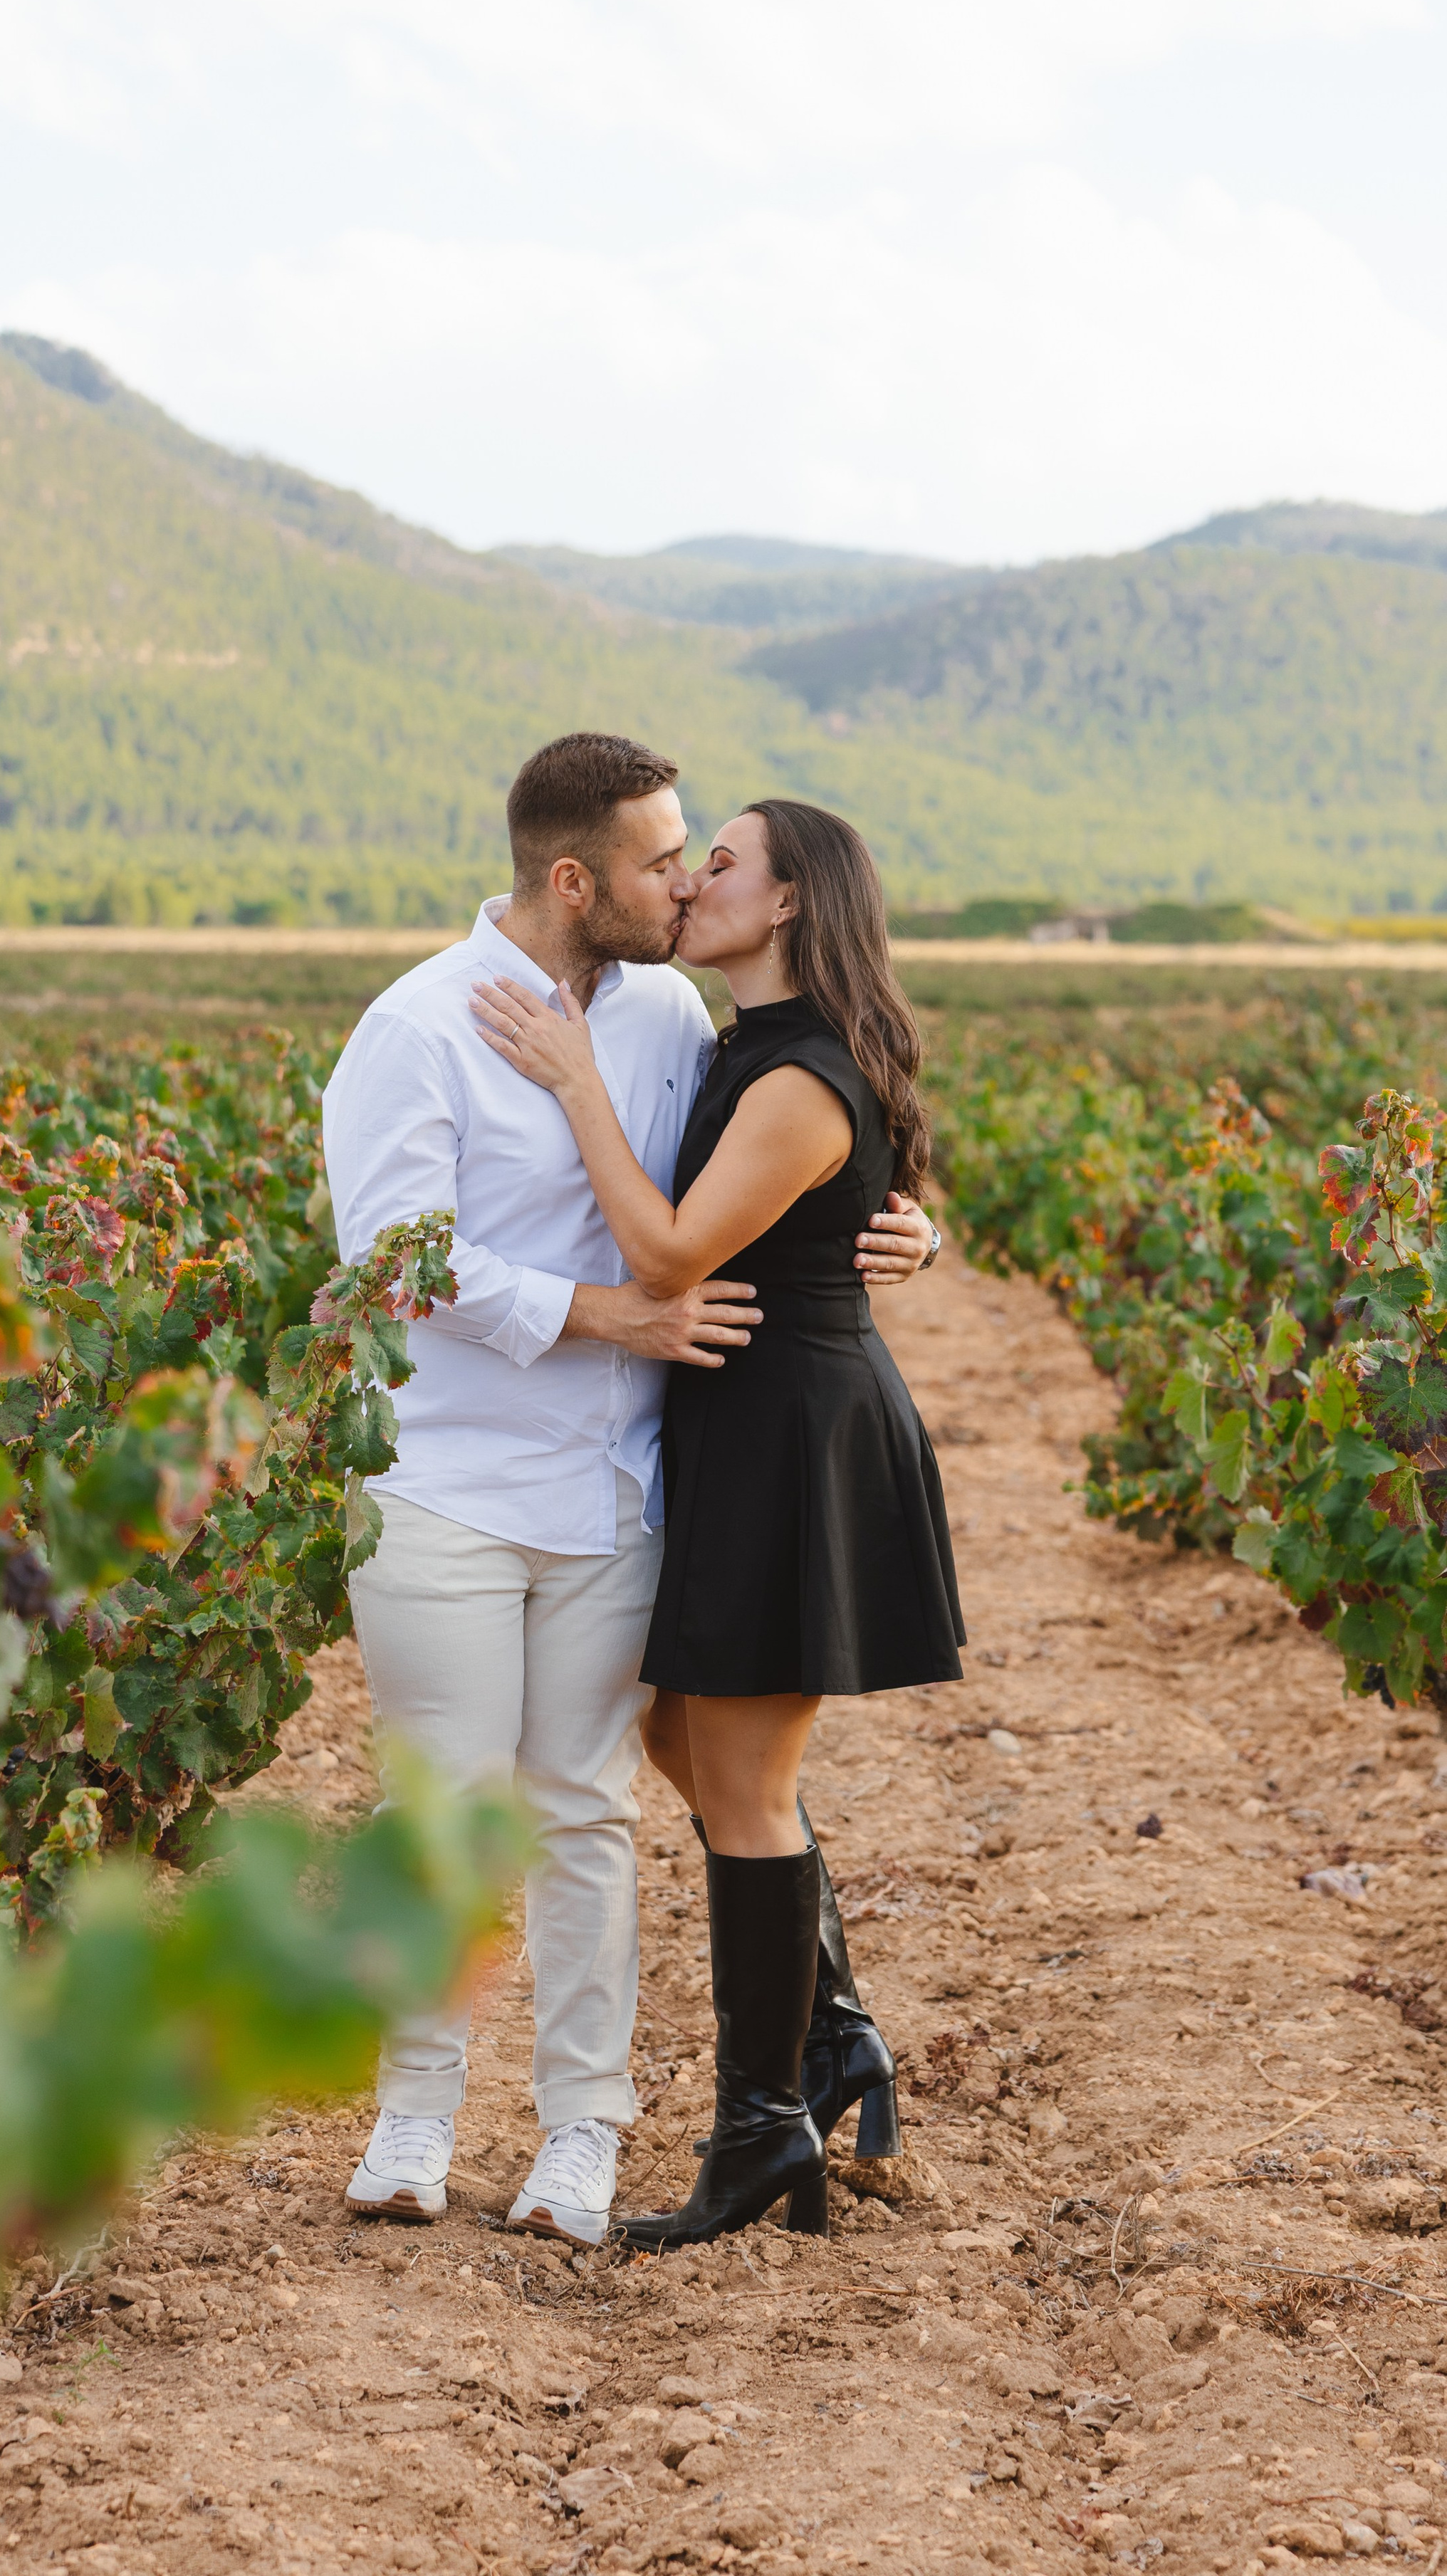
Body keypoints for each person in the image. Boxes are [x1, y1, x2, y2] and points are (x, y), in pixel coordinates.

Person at [321, 737, 937, 2249]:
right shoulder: (416, 1028)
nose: (684, 880)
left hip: (627, 1478)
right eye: (667, 859)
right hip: (450, 1475)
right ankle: (418, 2110)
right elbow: (389, 1258)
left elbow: (787, 1158)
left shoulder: (667, 1011)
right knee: (452, 1810)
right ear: (573, 875)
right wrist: (609, 1315)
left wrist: (898, 1227)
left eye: (704, 856)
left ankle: (598, 2131)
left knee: (596, 1805)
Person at [470, 795, 964, 2251]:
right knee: (687, 1739)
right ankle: (832, 2042)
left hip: (791, 1436)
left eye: (723, 861)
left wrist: (572, 1083)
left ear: (794, 901)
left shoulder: (799, 1074)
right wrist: (907, 1216)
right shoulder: (743, 1040)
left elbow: (672, 1249)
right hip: (747, 1427)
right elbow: (854, 1196)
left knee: (738, 1773)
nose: (691, 880)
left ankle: (758, 2135)